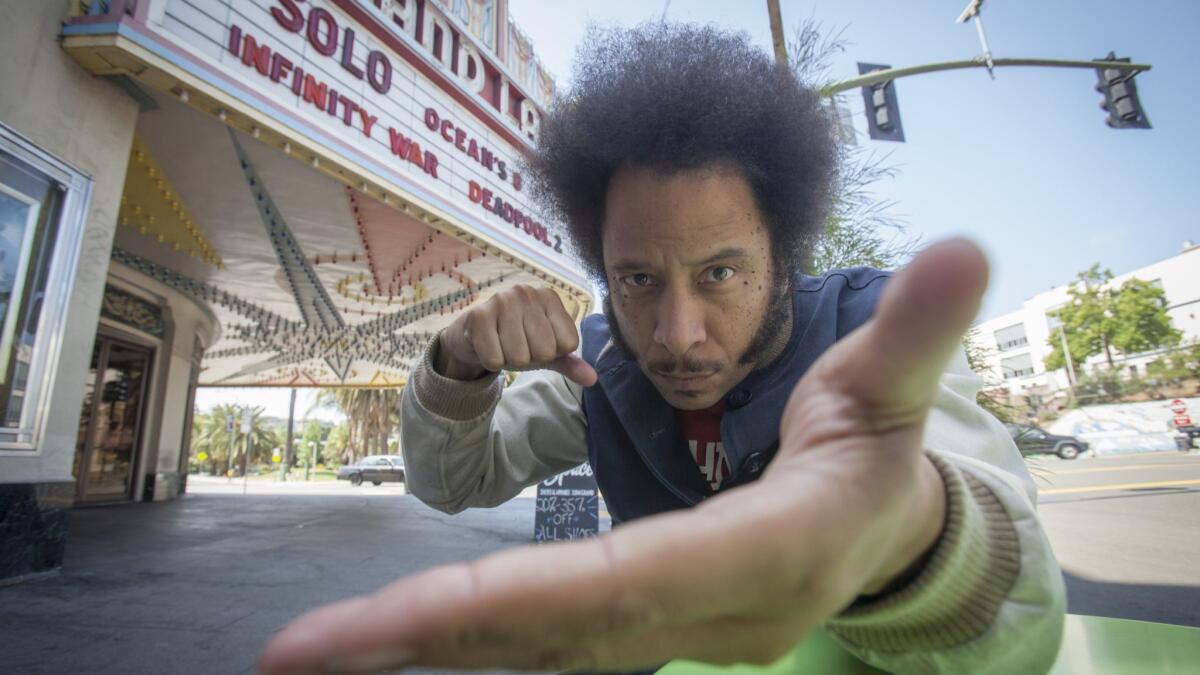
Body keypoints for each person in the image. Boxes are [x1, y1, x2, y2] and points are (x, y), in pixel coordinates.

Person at [259, 23, 1065, 674]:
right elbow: (451, 481)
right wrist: (458, 363)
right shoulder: (600, 362)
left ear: (784, 255)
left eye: (719, 272)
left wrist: (905, 538)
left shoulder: (879, 334)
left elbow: (1021, 622)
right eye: (638, 278)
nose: (675, 335)